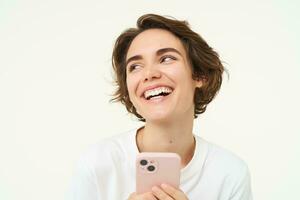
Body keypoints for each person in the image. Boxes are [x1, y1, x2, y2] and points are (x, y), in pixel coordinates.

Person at [67, 14, 253, 200]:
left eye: (166, 59)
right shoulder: (96, 164)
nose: (149, 74)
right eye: (135, 67)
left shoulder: (230, 174)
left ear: (199, 75)